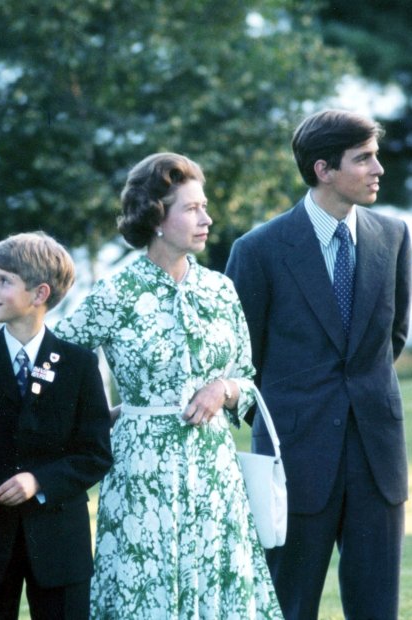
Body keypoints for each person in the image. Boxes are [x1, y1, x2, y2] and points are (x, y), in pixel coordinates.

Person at [56, 153, 282, 619]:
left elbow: (247, 377)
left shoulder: (221, 290)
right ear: (157, 216)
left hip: (214, 471)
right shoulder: (116, 293)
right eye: (192, 209)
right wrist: (99, 414)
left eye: (205, 207)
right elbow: (57, 358)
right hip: (142, 470)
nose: (207, 218)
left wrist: (223, 389)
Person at [226, 110, 412, 620]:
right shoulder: (258, 250)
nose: (378, 169)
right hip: (294, 459)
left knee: (377, 609)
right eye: (364, 159)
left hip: (378, 458)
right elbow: (242, 360)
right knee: (288, 606)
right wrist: (287, 422)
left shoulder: (393, 236)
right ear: (324, 169)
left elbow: (390, 340)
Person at [0, 232, 112, 620]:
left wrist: (39, 482)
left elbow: (95, 454)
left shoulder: (79, 365)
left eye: (4, 280)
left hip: (60, 544)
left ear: (39, 293)